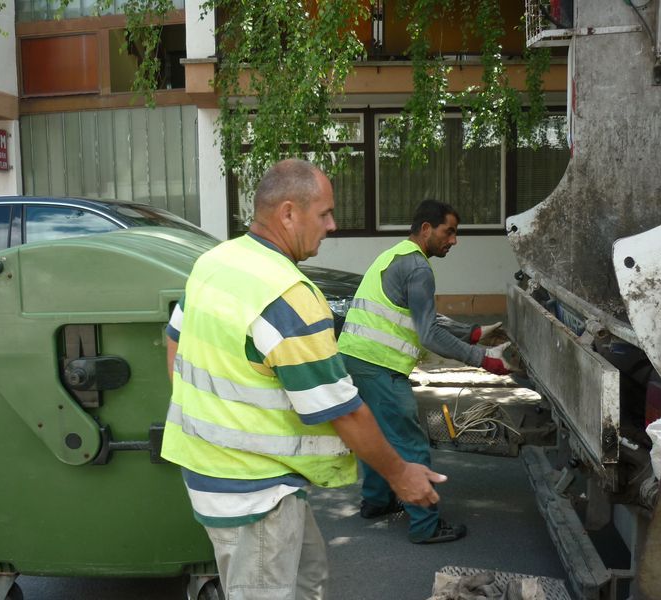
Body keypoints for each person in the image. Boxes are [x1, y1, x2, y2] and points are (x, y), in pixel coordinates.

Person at [161, 160, 448, 600]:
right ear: (289, 213)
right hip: (255, 494)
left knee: (309, 580)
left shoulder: (215, 262)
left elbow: (174, 340)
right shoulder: (288, 295)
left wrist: (203, 416)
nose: (332, 226)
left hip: (217, 475)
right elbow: (342, 410)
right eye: (325, 214)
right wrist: (401, 475)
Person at [338, 199, 516, 544]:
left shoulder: (393, 256)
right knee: (409, 442)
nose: (454, 240)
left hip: (354, 358)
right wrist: (483, 358)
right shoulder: (419, 269)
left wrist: (473, 332)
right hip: (380, 366)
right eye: (449, 232)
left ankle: (376, 501)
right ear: (426, 229)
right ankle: (425, 525)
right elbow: (429, 333)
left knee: (375, 435)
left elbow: (422, 317)